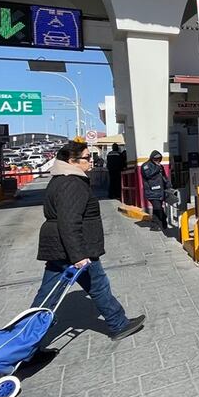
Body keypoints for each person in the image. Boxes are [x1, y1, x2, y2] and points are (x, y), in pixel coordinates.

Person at [32, 141, 144, 341]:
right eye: (86, 157)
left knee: (48, 297)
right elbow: (69, 221)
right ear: (71, 161)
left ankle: (27, 344)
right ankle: (118, 324)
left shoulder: (62, 179)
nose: (90, 161)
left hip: (62, 247)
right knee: (96, 286)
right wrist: (79, 255)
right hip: (74, 249)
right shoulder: (71, 183)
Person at [140, 151, 172, 232]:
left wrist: (168, 185)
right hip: (151, 191)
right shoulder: (146, 166)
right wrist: (158, 168)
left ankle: (155, 225)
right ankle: (161, 221)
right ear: (152, 158)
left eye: (159, 159)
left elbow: (164, 177)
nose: (157, 160)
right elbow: (148, 174)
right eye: (156, 159)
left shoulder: (160, 166)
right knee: (157, 207)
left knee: (157, 208)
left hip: (160, 191)